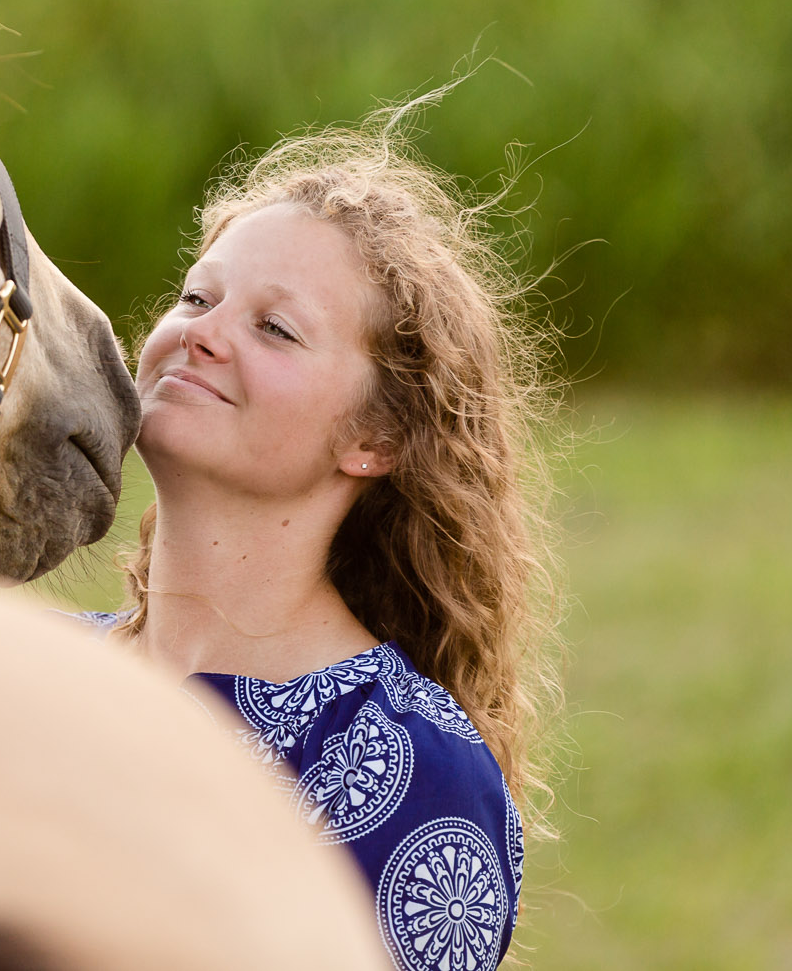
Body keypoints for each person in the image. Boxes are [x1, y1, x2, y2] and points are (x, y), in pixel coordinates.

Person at [81, 109, 565, 971]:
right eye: (198, 296)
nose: (200, 330)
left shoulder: (407, 768)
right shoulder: (34, 670)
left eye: (275, 328)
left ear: (372, 439)